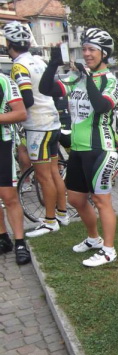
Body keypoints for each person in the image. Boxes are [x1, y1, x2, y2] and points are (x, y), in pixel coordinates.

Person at [39, 27, 118, 267]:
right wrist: (53, 64)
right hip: (78, 148)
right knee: (75, 198)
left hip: (100, 148)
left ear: (104, 53)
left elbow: (101, 106)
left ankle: (109, 250)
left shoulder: (111, 80)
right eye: (84, 49)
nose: (86, 54)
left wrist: (88, 77)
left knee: (101, 200)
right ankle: (94, 239)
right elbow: (46, 89)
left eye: (92, 49)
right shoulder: (77, 78)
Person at [4, 21, 68, 238]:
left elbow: (28, 100)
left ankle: (50, 221)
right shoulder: (39, 60)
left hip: (37, 126)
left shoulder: (18, 66)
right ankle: (61, 214)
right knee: (53, 172)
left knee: (43, 176)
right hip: (52, 122)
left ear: (8, 44)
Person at [0, 72, 31, 265]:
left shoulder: (3, 80)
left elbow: (20, 113)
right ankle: (3, 238)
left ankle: (20, 242)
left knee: (8, 196)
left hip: (2, 143)